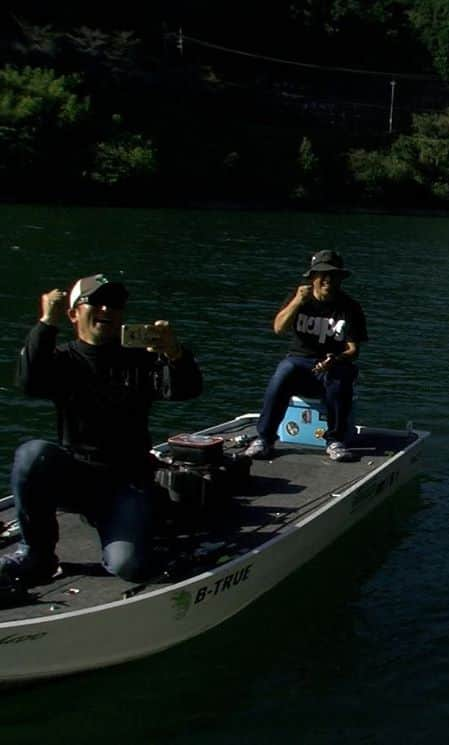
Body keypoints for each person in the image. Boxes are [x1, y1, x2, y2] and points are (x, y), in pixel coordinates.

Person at [0, 274, 203, 588]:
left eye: (116, 304)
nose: (107, 309)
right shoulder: (63, 359)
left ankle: (140, 521)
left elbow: (186, 389)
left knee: (128, 565)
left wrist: (174, 353)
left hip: (128, 482)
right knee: (31, 454)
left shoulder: (141, 359)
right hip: (77, 476)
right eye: (95, 301)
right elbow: (28, 381)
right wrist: (46, 323)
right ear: (73, 314)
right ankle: (36, 553)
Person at [243, 249, 367, 462]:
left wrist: (334, 359)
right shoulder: (298, 299)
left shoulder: (350, 307)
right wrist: (297, 302)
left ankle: (335, 440)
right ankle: (264, 438)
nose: (328, 280)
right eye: (323, 275)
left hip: (334, 363)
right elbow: (279, 328)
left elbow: (353, 349)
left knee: (339, 378)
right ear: (312, 278)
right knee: (284, 372)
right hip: (300, 361)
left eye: (334, 276)